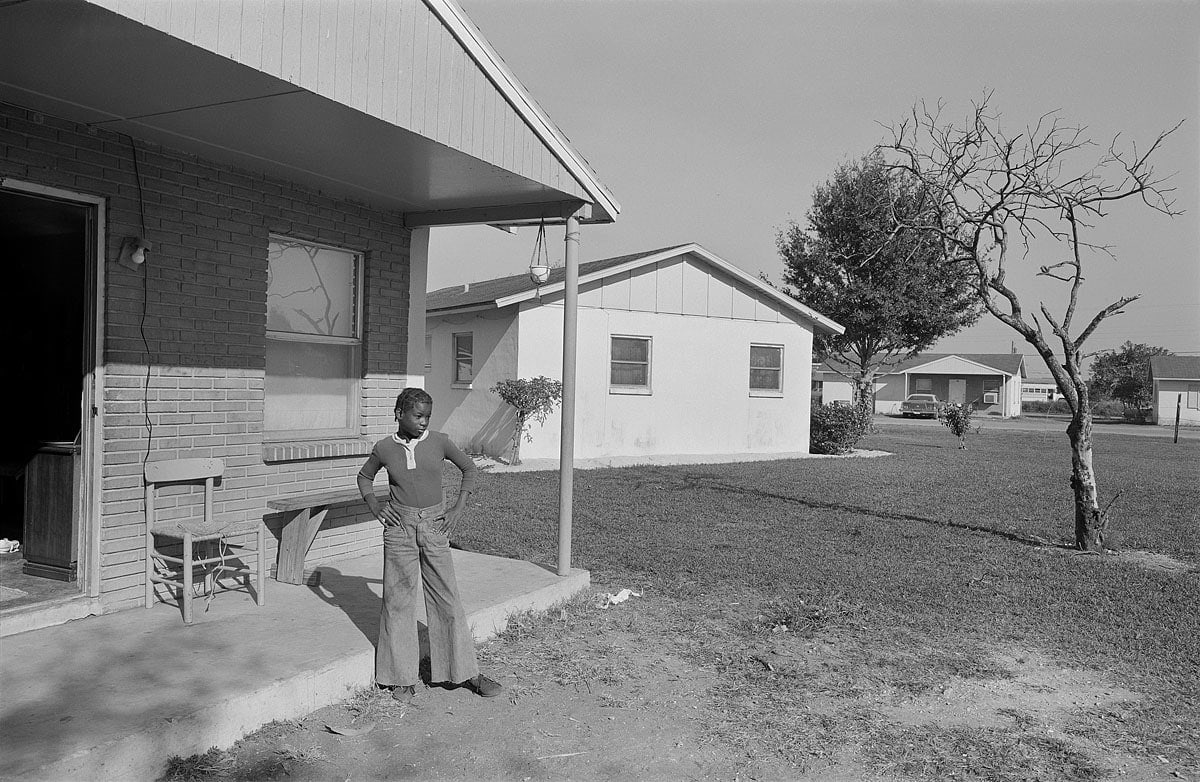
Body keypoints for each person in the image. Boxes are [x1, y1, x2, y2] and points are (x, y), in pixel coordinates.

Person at [357, 387, 502, 704]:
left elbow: (469, 468)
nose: (424, 422)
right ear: (399, 414)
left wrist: (457, 508)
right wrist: (375, 506)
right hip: (400, 530)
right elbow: (364, 477)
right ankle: (400, 679)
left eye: (427, 417)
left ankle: (464, 672)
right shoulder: (384, 448)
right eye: (417, 416)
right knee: (398, 602)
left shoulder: (440, 441)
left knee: (447, 598)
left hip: (435, 526)